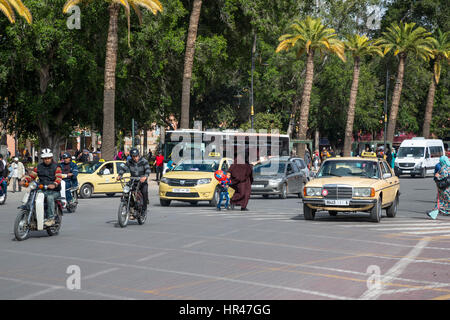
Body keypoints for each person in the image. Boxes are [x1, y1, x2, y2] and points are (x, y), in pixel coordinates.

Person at [20, 149, 63, 226]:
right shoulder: (39, 167)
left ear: (51, 158)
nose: (47, 160)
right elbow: (32, 176)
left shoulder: (57, 167)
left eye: (48, 158)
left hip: (54, 191)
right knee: (33, 197)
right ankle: (33, 218)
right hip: (42, 189)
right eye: (45, 159)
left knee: (50, 197)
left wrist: (54, 184)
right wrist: (25, 180)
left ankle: (51, 218)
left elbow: (59, 177)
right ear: (42, 159)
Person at [116, 148, 151, 215]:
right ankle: (130, 206)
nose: (135, 158)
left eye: (136, 156)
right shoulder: (129, 162)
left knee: (144, 192)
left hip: (142, 181)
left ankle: (144, 209)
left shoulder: (144, 161)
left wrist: (145, 176)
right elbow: (124, 168)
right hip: (133, 181)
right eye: (133, 156)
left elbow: (148, 170)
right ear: (131, 156)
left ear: (139, 155)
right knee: (126, 191)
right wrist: (119, 175)